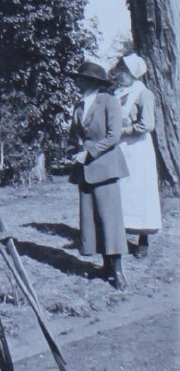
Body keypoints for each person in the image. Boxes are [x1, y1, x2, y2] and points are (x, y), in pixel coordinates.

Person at [68, 60, 129, 290]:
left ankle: (119, 271)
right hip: (85, 171)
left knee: (110, 220)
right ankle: (105, 267)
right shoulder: (79, 106)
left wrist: (89, 152)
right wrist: (74, 152)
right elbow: (73, 136)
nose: (77, 81)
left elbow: (114, 136)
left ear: (91, 81)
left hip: (106, 167)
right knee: (93, 221)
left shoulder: (109, 101)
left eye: (80, 78)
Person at [114, 53, 162, 257]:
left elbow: (147, 124)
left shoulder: (143, 94)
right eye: (120, 70)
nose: (120, 74)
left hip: (138, 149)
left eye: (124, 71)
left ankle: (143, 239)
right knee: (121, 190)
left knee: (139, 191)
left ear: (134, 73)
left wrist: (123, 131)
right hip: (121, 148)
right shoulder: (118, 93)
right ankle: (118, 234)